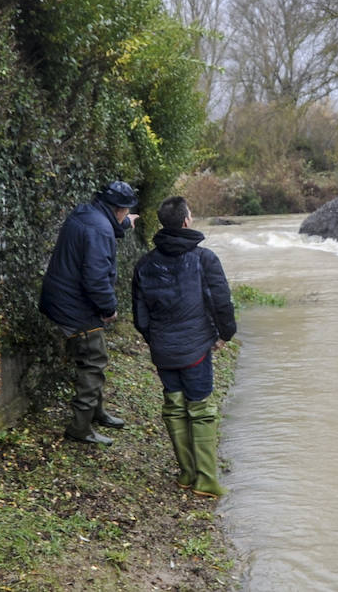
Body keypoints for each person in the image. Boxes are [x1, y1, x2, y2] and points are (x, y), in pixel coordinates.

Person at [132, 195, 237, 497]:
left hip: (164, 351)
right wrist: (224, 334)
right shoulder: (205, 259)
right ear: (187, 221)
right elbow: (222, 302)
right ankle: (205, 480)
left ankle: (186, 474)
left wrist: (159, 341)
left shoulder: (144, 264)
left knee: (175, 406)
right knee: (201, 409)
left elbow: (140, 317)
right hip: (195, 349)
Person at [39, 180, 140, 446]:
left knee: (94, 356)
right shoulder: (100, 228)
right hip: (74, 305)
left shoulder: (87, 214)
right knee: (93, 361)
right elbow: (96, 278)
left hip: (61, 297)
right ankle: (80, 428)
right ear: (119, 208)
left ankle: (97, 412)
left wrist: (126, 223)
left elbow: (105, 231)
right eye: (125, 212)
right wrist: (108, 309)